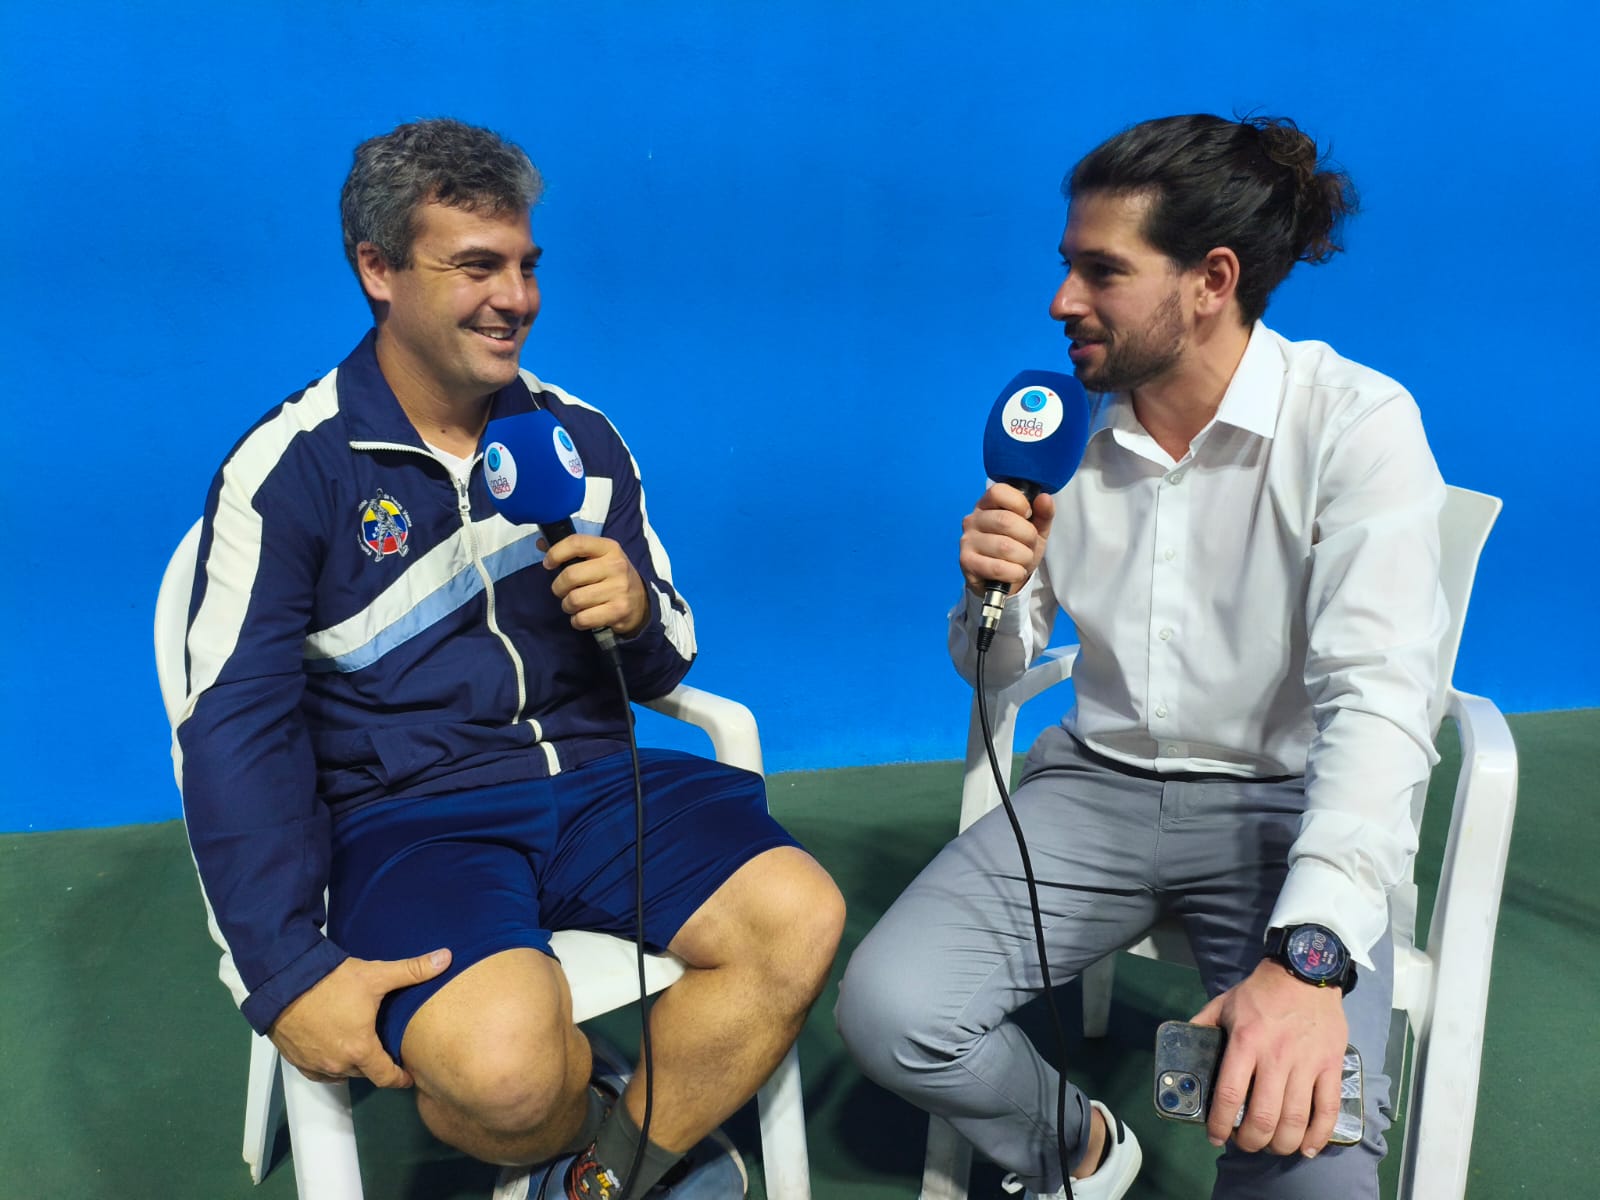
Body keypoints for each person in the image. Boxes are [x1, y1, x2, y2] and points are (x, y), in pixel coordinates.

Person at [177, 117, 844, 1200]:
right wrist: (285, 971)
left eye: (527, 266)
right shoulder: (289, 470)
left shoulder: (578, 437)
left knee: (799, 917)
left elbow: (665, 661)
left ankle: (601, 1175)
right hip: (407, 820)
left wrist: (634, 614)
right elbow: (232, 728)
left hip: (599, 784)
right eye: (476, 266)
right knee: (504, 1078)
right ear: (378, 270)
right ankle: (598, 1111)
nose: (515, 299)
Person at [835, 113, 1447, 1200]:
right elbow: (990, 672)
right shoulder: (1056, 431)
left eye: (1100, 271)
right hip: (1093, 787)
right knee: (891, 1014)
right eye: (1066, 265)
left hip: (1278, 808)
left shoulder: (1355, 424)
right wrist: (990, 594)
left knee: (1313, 1174)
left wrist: (1307, 961)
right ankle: (1079, 1147)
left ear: (1211, 281)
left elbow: (1380, 702)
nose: (1061, 300)